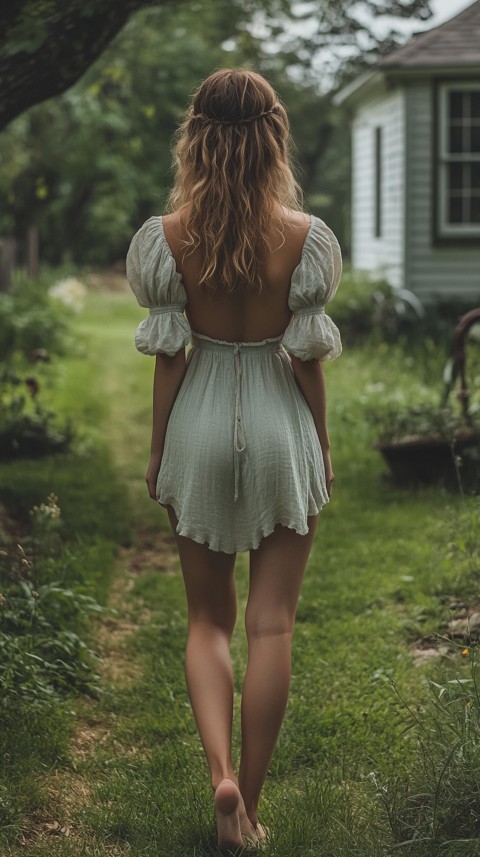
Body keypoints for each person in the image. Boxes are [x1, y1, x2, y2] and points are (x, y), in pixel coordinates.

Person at [126, 68, 342, 852]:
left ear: (197, 136)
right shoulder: (307, 239)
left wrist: (158, 451)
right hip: (281, 421)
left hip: (200, 421)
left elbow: (171, 359)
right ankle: (246, 807)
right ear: (274, 135)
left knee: (207, 618)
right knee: (272, 624)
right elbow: (309, 358)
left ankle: (218, 772)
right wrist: (319, 443)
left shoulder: (167, 239)